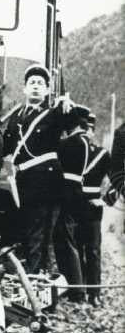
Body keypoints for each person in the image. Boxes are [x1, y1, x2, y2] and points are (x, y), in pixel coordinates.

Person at [1, 64, 87, 274]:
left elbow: (75, 124)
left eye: (41, 84)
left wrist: (68, 104)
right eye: (32, 83)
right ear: (25, 89)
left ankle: (37, 281)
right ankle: (21, 278)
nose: (36, 87)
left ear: (47, 90)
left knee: (37, 235)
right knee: (19, 230)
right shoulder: (16, 116)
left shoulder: (54, 113)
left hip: (45, 182)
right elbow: (6, 146)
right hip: (20, 180)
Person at [53, 110, 89, 301]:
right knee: (67, 237)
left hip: (67, 191)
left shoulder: (72, 142)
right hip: (76, 190)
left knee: (66, 239)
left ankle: (76, 289)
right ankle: (74, 287)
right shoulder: (84, 142)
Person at [76, 113, 111, 306]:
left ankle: (94, 293)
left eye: (88, 129)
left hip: (92, 207)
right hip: (73, 205)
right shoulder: (71, 151)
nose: (85, 133)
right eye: (82, 129)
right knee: (76, 249)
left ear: (93, 131)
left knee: (93, 250)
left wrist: (105, 199)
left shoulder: (102, 154)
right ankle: (79, 292)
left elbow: (116, 179)